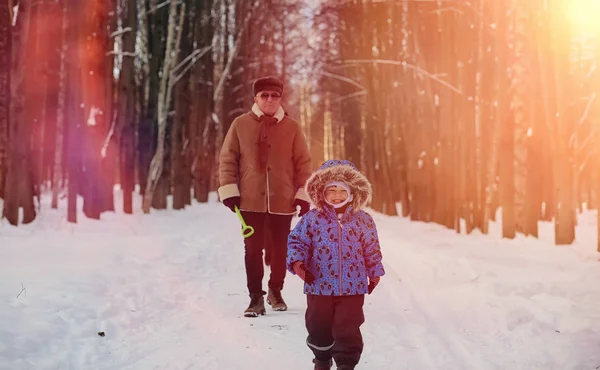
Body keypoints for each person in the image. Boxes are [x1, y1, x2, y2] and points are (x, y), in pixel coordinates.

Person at [218, 76, 312, 317]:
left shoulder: (292, 127)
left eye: (274, 95)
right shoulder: (240, 124)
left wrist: (303, 193)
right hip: (250, 200)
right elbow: (228, 159)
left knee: (281, 249)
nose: (269, 99)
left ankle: (275, 290)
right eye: (264, 95)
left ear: (280, 98)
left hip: (283, 199)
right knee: (252, 249)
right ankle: (255, 298)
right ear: (256, 98)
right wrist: (229, 190)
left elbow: (303, 162)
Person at [287, 159, 385, 370]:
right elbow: (297, 241)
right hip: (318, 284)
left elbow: (371, 247)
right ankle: (322, 359)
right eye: (331, 190)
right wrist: (298, 264)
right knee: (317, 326)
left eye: (342, 190)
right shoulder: (312, 219)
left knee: (347, 327)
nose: (337, 195)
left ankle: (346, 363)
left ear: (353, 192)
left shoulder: (363, 220)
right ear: (321, 192)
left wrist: (374, 273)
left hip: (353, 286)